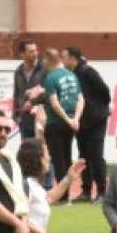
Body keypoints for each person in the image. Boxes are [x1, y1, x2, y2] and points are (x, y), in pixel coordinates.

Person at [65, 47, 111, 204]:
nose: (62, 61)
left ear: (73, 59)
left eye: (64, 57)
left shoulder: (87, 72)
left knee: (96, 155)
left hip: (95, 120)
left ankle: (103, 192)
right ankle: (86, 190)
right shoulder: (72, 75)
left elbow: (105, 91)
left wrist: (99, 110)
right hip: (82, 121)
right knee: (84, 156)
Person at [42, 49, 82, 204]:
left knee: (58, 160)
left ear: (47, 62)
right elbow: (80, 99)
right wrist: (75, 119)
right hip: (71, 123)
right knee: (66, 157)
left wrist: (66, 119)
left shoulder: (50, 78)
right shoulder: (72, 75)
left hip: (55, 122)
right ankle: (68, 194)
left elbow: (54, 103)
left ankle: (63, 196)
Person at [12, 38, 44, 145]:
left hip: (41, 117)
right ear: (22, 54)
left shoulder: (44, 68)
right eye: (31, 51)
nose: (35, 53)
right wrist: (15, 115)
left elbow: (49, 92)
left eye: (36, 50)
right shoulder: (18, 71)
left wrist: (32, 102)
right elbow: (16, 94)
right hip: (24, 119)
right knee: (28, 151)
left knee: (41, 149)